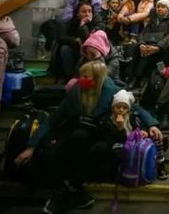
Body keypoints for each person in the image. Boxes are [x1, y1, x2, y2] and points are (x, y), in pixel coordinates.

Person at [14, 61, 157, 213]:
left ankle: (67, 189)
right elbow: (54, 118)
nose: (81, 79)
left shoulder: (113, 92)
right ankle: (74, 188)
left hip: (103, 134)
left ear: (98, 78)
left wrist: (152, 125)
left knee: (94, 146)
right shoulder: (76, 92)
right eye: (81, 76)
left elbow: (135, 108)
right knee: (78, 137)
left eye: (86, 76)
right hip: (79, 133)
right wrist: (31, 146)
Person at [102, 89, 168, 181]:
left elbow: (138, 128)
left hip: (135, 143)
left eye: (124, 108)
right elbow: (117, 139)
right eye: (118, 107)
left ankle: (161, 167)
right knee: (118, 149)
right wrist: (120, 127)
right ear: (113, 108)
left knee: (157, 138)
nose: (121, 110)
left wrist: (143, 132)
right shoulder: (108, 121)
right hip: (122, 144)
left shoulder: (132, 117)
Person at [53, 2, 104, 80]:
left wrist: (83, 26)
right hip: (75, 48)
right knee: (65, 49)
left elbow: (89, 39)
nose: (87, 14)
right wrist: (74, 40)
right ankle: (69, 76)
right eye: (84, 11)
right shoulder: (72, 21)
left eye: (89, 11)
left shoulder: (97, 23)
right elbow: (62, 37)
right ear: (77, 13)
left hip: (92, 49)